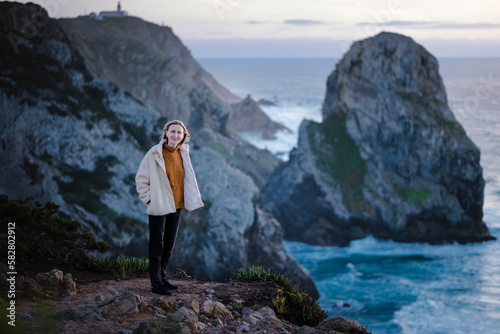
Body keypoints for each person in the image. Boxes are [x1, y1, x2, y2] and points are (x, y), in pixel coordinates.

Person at [135, 120, 204, 296]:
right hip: (159, 204)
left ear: (184, 136)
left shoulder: (182, 153)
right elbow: (141, 179)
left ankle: (163, 277)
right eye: (172, 131)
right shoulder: (155, 153)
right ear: (166, 133)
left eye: (179, 133)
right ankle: (155, 284)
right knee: (156, 245)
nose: (175, 135)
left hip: (177, 205)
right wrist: (150, 199)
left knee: (169, 245)